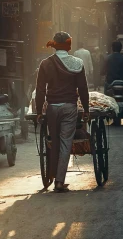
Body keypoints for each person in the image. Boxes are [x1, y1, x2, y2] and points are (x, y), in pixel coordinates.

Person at [35, 32, 90, 192]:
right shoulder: (77, 63)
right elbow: (83, 88)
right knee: (66, 143)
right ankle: (59, 181)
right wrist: (86, 109)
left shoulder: (45, 64)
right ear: (68, 45)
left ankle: (52, 176)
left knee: (54, 141)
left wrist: (39, 111)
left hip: (52, 108)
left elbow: (40, 90)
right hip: (70, 107)